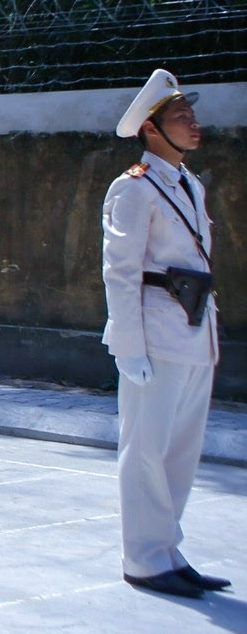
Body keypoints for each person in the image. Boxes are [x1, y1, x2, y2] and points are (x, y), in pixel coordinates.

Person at [102, 69, 228, 598]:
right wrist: (128, 345)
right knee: (146, 446)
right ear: (151, 130)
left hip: (195, 328)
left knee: (180, 449)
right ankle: (143, 557)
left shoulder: (189, 184)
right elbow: (120, 270)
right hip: (155, 331)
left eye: (192, 115)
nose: (193, 124)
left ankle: (167, 550)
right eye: (181, 117)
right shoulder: (134, 188)